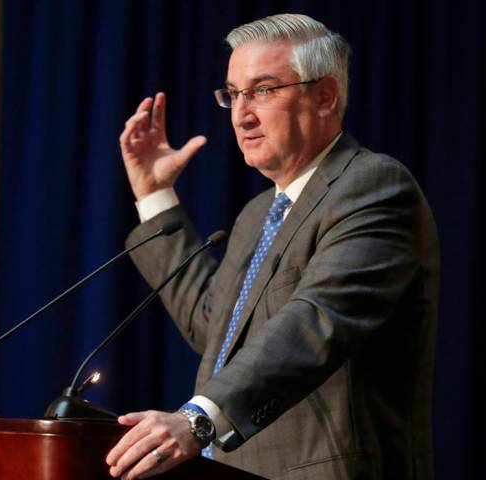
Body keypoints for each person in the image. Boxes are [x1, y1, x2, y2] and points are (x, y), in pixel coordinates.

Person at [105, 13, 439, 480]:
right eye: (234, 94)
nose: (242, 114)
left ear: (324, 96)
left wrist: (197, 419)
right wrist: (154, 195)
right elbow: (214, 327)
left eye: (264, 90)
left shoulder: (372, 186)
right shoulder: (259, 213)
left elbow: (317, 320)